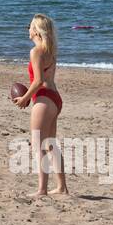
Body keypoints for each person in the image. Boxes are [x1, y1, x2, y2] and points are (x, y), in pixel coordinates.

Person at [12, 14, 67, 197]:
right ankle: (61, 187)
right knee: (51, 145)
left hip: (43, 99)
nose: (28, 29)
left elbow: (38, 81)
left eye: (30, 26)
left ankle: (42, 190)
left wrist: (25, 98)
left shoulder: (36, 51)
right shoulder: (50, 50)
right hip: (55, 99)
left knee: (39, 145)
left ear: (35, 30)